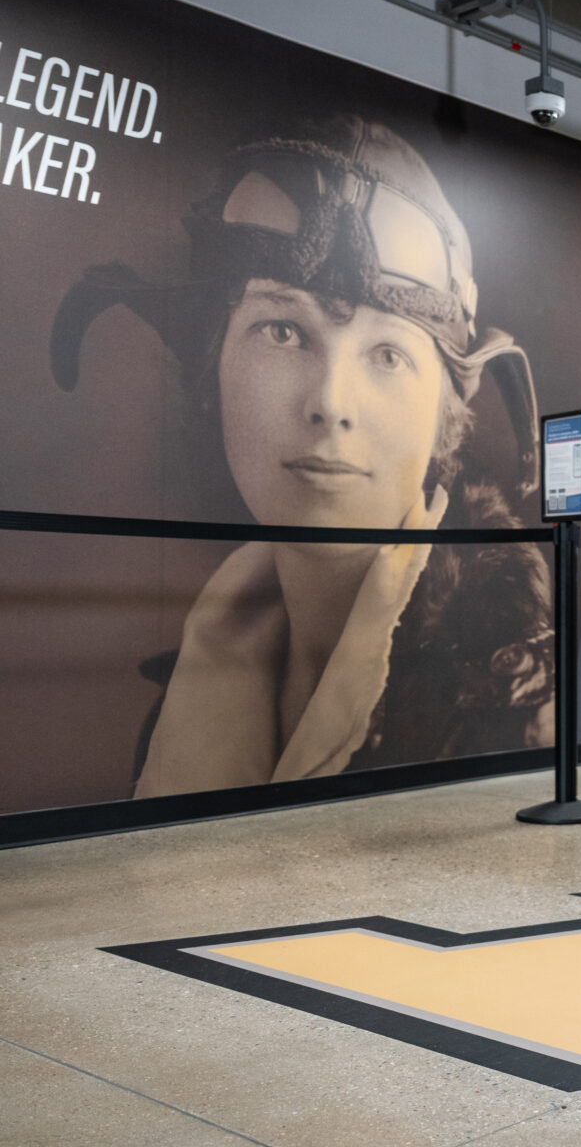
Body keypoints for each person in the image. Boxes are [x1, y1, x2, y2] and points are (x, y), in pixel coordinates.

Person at [51, 116, 554, 797]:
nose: (331, 402)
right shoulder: (190, 698)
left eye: (388, 354)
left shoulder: (504, 712)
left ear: (445, 415)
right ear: (214, 366)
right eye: (282, 331)